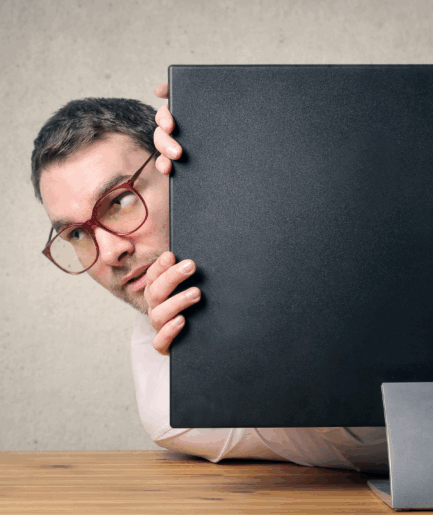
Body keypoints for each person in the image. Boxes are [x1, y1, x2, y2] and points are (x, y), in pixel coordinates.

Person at [31, 84, 389, 473]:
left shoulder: (335, 225)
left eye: (119, 201)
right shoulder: (167, 405)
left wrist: (230, 145)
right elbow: (395, 446)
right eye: (77, 235)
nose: (111, 252)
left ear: (177, 166)